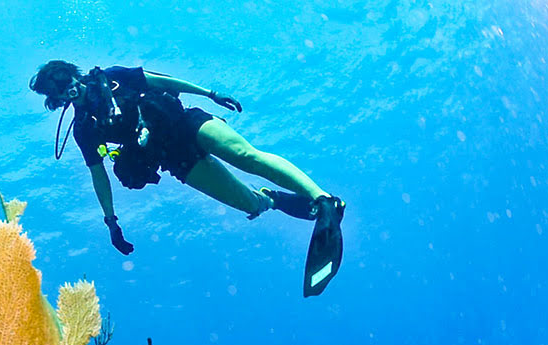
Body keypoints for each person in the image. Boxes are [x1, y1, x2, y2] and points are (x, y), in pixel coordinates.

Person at [29, 61, 346, 296]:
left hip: (186, 122)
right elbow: (99, 176)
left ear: (73, 73)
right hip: (173, 158)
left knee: (246, 156)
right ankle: (271, 198)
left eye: (66, 79)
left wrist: (211, 94)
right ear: (56, 99)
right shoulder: (85, 129)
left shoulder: (113, 77)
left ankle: (323, 200)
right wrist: (110, 221)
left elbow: (161, 81)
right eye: (58, 89)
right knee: (248, 203)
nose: (69, 88)